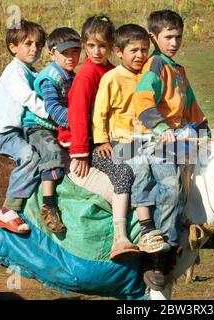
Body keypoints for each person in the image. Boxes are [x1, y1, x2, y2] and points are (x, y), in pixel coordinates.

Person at [132, 9, 210, 291]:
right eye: (168, 37)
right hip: (155, 140)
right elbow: (142, 100)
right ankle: (158, 256)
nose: (174, 42)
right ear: (154, 37)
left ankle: (188, 237)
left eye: (178, 36)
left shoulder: (179, 70)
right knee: (171, 188)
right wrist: (163, 130)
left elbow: (191, 105)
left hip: (181, 140)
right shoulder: (155, 65)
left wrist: (203, 129)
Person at [67, 16, 139, 261]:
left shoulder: (111, 71)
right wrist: (80, 152)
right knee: (123, 174)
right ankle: (120, 237)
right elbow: (77, 113)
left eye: (102, 46)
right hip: (92, 144)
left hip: (116, 139)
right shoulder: (87, 75)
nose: (96, 51)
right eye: (90, 46)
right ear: (84, 45)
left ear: (112, 47)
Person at [92, 24, 166, 260]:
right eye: (133, 50)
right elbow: (100, 113)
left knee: (179, 160)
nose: (140, 55)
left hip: (145, 138)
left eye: (144, 50)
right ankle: (145, 227)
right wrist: (101, 140)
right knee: (142, 166)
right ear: (118, 52)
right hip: (121, 141)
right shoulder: (111, 78)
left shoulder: (147, 76)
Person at [0, 19, 48, 234]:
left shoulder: (31, 71)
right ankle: (9, 209)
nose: (34, 48)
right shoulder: (14, 72)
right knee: (30, 156)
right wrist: (55, 116)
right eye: (28, 43)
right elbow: (29, 99)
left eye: (39, 44)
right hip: (5, 133)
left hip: (22, 129)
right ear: (13, 47)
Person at [23, 27, 82, 233]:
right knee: (52, 153)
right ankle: (48, 205)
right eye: (65, 53)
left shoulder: (72, 75)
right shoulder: (50, 78)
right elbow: (53, 107)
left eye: (75, 52)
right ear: (52, 53)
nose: (71, 57)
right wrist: (76, 122)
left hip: (60, 125)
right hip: (40, 126)